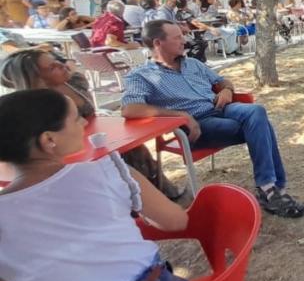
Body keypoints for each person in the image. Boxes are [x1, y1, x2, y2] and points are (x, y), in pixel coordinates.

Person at [0, 89, 190, 281]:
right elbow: (175, 221)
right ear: (48, 140)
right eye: (75, 119)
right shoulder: (108, 171)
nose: (84, 123)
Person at [122, 20, 304, 218]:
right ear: (158, 43)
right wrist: (181, 115)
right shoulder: (142, 76)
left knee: (257, 112)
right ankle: (271, 189)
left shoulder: (192, 64)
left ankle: (269, 187)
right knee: (260, 126)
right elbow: (130, 109)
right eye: (177, 37)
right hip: (197, 124)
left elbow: (222, 80)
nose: (183, 40)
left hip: (220, 108)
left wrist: (227, 90)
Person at [0, 49, 184, 200]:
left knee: (135, 149)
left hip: (93, 135)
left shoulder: (74, 82)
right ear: (37, 79)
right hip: (65, 149)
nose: (61, 65)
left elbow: (88, 114)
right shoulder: (33, 107)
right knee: (108, 161)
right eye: (52, 67)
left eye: (57, 60)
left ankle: (157, 193)